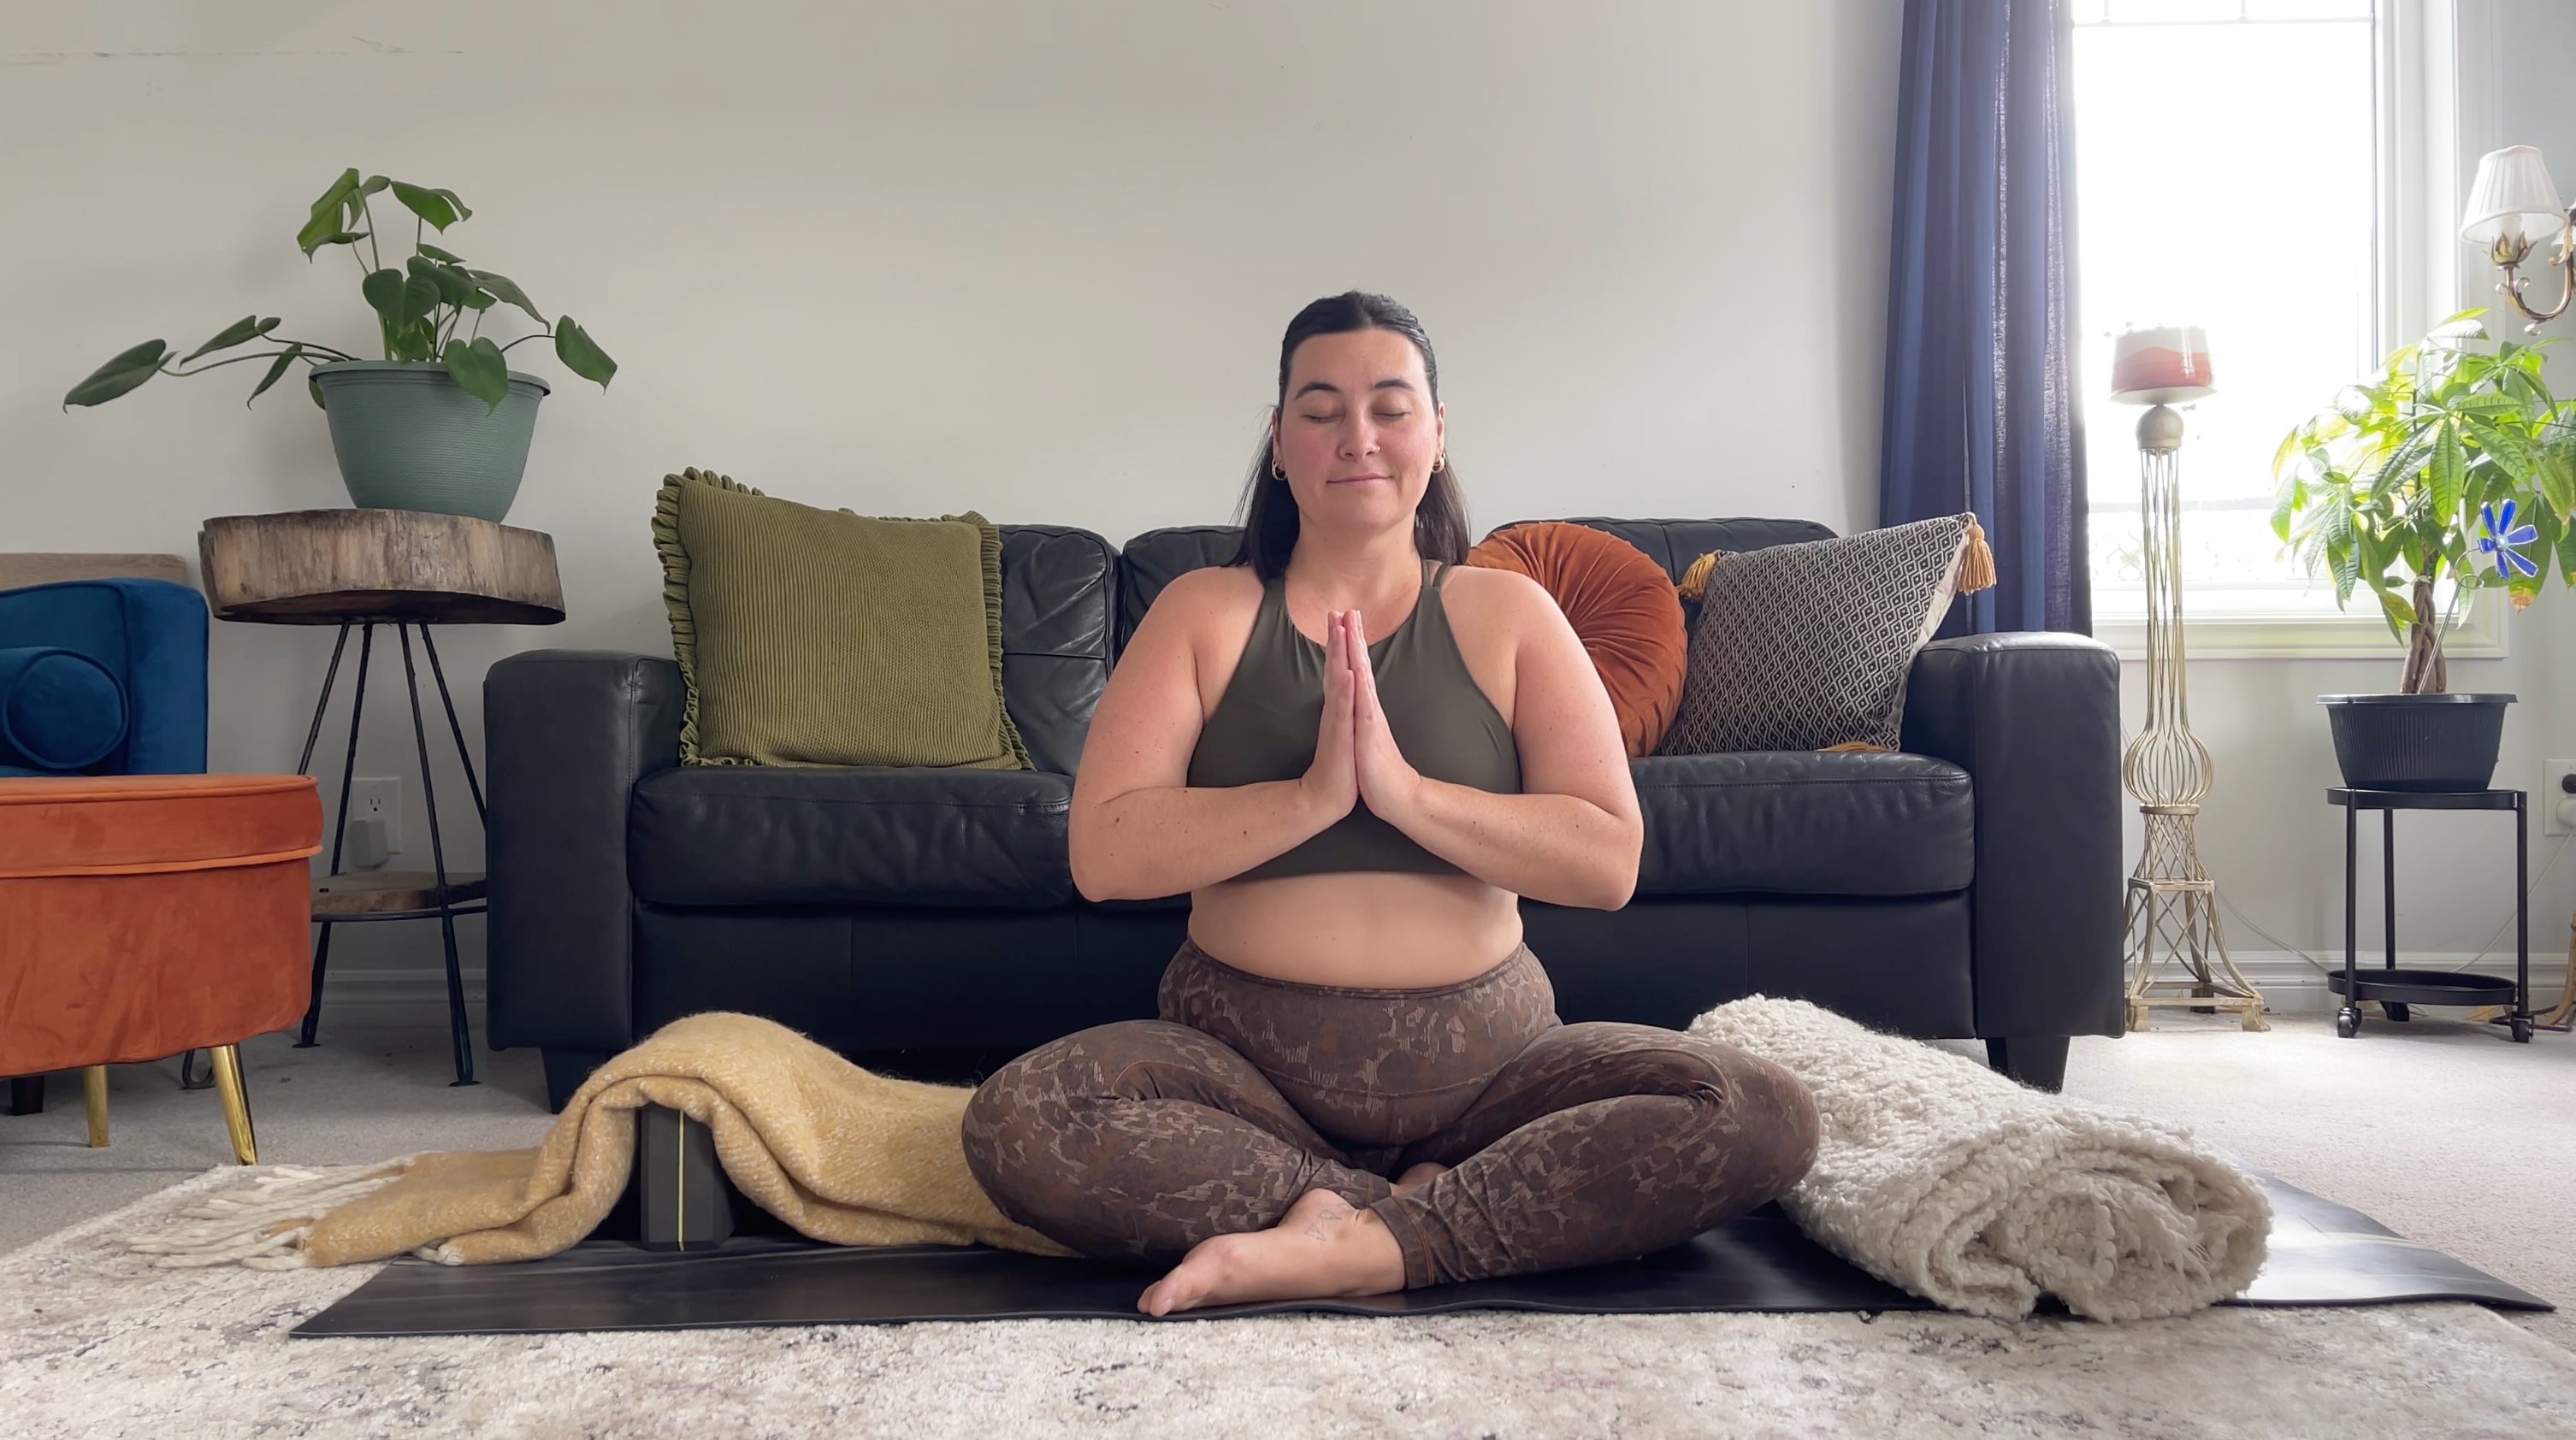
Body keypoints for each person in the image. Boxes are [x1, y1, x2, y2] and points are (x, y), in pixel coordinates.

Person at [961, 291, 1819, 1315]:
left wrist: (1404, 794)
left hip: (1495, 1079)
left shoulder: (1509, 613)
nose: (1357, 437)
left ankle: (1346, 1238)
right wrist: (1314, 795)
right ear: (1280, 443)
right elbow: (1103, 853)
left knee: (1759, 1111)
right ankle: (1416, 1213)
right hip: (1242, 1079)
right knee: (1022, 1119)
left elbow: (1607, 860)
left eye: (1391, 408)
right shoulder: (1204, 611)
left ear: (1437, 434)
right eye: (1320, 410)